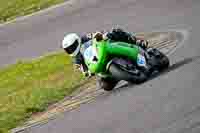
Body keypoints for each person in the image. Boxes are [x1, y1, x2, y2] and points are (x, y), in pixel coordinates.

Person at [61, 28, 149, 90]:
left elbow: (97, 35)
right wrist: (87, 72)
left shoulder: (85, 38)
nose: (71, 50)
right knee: (105, 85)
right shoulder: (77, 58)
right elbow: (83, 70)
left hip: (104, 50)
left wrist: (103, 35)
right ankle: (120, 74)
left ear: (77, 41)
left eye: (72, 47)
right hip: (101, 66)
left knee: (116, 31)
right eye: (68, 49)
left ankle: (136, 41)